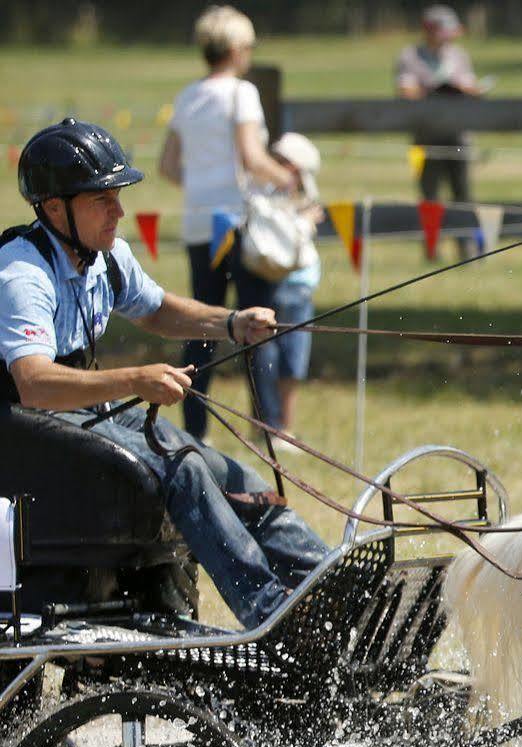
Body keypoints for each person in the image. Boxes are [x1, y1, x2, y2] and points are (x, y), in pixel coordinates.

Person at [2, 119, 329, 627]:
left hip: (81, 413)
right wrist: (134, 379)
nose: (119, 210)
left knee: (223, 468)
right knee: (183, 468)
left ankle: (324, 579)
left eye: (118, 195)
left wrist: (231, 323)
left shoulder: (104, 256)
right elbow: (35, 383)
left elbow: (155, 309)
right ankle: (270, 612)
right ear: (53, 208)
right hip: (25, 434)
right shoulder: (21, 275)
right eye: (101, 199)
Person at [159, 4, 300, 440]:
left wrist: (202, 186)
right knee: (256, 323)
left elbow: (167, 165)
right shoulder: (242, 94)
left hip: (200, 225)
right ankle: (267, 426)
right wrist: (291, 180)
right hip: (237, 225)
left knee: (203, 322)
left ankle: (194, 424)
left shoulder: (187, 96)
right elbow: (253, 159)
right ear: (238, 48)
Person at [396, 3, 485, 253]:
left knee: (463, 195)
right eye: (442, 30)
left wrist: (465, 89)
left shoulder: (459, 55)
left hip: (459, 135)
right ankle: (431, 248)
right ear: (429, 30)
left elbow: (471, 85)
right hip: (427, 137)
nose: (447, 36)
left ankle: (466, 247)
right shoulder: (410, 56)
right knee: (429, 196)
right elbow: (405, 90)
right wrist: (431, 90)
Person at [267, 132, 323, 436]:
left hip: (296, 285)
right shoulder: (275, 196)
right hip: (288, 284)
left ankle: (279, 424)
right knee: (288, 357)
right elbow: (283, 237)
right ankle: (280, 427)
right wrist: (306, 222)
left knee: (287, 357)